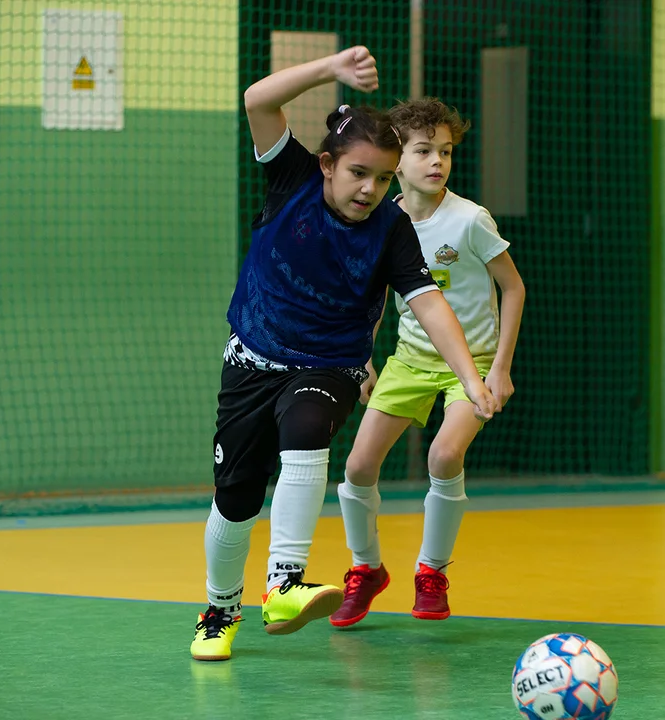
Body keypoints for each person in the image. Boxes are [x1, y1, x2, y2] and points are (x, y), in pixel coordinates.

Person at [191, 52, 500, 661]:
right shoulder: (293, 179)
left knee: (308, 430)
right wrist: (332, 66)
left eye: (384, 179)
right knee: (236, 498)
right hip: (252, 358)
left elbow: (430, 303)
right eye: (359, 173)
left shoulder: (390, 227)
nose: (371, 189)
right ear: (328, 165)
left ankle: (283, 583)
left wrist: (472, 376)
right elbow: (258, 100)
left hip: (329, 364)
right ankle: (220, 608)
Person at [330, 97, 525, 628]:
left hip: (475, 362)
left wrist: (500, 368)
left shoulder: (469, 220)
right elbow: (373, 296)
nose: (437, 160)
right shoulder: (383, 220)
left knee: (443, 455)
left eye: (445, 151)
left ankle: (431, 572)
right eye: (423, 151)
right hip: (409, 360)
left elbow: (513, 287)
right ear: (398, 157)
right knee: (357, 467)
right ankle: (366, 570)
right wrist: (363, 358)